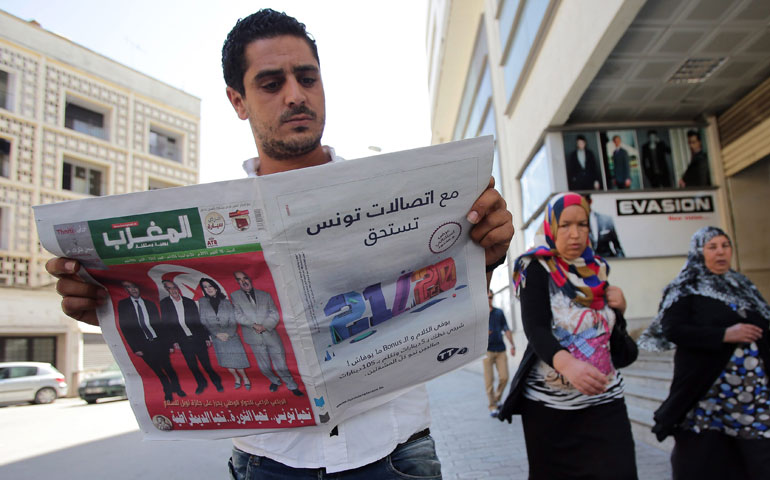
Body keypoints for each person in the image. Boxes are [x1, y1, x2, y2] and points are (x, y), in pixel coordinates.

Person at [44, 8, 514, 478]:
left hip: (393, 453)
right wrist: (104, 306)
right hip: (268, 462)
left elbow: (440, 295)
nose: (296, 95)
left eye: (307, 78)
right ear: (238, 100)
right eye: (271, 84)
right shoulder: (206, 224)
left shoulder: (404, 199)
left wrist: (483, 256)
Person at [498, 192, 639, 480]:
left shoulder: (595, 270)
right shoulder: (535, 267)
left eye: (582, 224)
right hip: (551, 408)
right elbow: (536, 327)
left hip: (605, 399)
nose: (575, 234)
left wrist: (620, 310)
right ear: (551, 226)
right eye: (565, 225)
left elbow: (606, 329)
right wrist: (569, 365)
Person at [637, 226, 770, 479]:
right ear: (699, 252)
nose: (720, 252)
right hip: (707, 392)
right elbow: (672, 329)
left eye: (725, 245)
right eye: (712, 247)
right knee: (703, 459)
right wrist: (724, 335)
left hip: (753, 393)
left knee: (759, 456)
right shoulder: (685, 288)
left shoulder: (742, 285)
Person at [231, 270, 302, 396]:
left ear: (249, 279)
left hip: (270, 334)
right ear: (237, 282)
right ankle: (274, 381)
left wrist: (264, 326)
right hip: (253, 337)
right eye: (239, 280)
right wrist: (253, 325)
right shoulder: (235, 296)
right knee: (263, 366)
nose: (243, 281)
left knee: (281, 363)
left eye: (245, 278)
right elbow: (237, 315)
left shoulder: (265, 295)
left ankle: (292, 386)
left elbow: (274, 313)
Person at [117, 280, 184, 402]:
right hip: (144, 345)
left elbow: (160, 325)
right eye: (129, 288)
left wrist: (169, 344)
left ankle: (178, 389)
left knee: (169, 367)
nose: (133, 290)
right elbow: (125, 328)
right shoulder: (124, 305)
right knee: (158, 371)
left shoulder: (149, 304)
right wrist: (135, 348)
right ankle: (168, 393)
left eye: (135, 287)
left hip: (159, 342)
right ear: (126, 291)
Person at [160, 279, 224, 395]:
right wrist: (173, 341)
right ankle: (201, 383)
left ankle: (217, 382)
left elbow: (198, 321)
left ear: (177, 288)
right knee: (192, 365)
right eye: (170, 288)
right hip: (183, 340)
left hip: (198, 338)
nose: (173, 290)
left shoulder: (189, 302)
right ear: (166, 290)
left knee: (206, 364)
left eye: (174, 287)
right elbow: (166, 324)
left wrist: (206, 337)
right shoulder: (165, 304)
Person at [197, 278, 251, 390]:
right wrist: (217, 334)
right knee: (227, 362)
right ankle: (236, 378)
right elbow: (203, 320)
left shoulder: (226, 302)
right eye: (205, 287)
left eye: (210, 286)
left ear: (215, 287)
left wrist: (228, 334)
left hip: (231, 336)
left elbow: (233, 320)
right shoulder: (202, 301)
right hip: (217, 337)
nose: (208, 289)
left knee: (238, 361)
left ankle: (245, 377)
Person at [485, 289, 515, 417]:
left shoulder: (499, 312)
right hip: (487, 352)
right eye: (487, 297)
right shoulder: (481, 315)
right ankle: (492, 406)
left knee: (504, 377)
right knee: (489, 381)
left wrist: (512, 345)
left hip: (501, 349)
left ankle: (497, 399)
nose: (489, 299)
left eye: (491, 297)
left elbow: (506, 329)